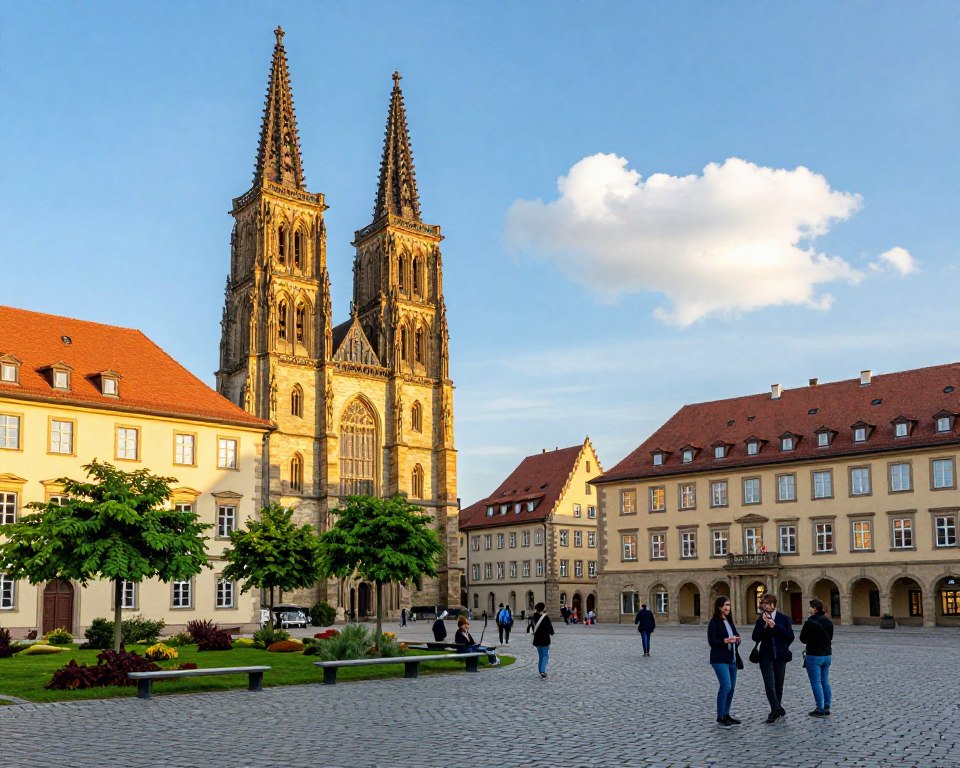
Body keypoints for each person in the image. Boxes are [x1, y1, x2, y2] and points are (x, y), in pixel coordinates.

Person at [752, 594, 795, 724]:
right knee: (769, 684)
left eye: (766, 603)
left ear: (773, 604)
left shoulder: (784, 619)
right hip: (765, 655)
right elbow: (755, 637)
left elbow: (790, 636)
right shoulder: (760, 620)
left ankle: (777, 708)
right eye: (763, 603)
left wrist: (774, 625)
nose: (764, 606)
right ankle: (775, 709)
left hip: (781, 655)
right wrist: (765, 626)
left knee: (778, 685)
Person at [707, 597, 743, 728]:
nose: (728, 608)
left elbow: (734, 634)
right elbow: (712, 641)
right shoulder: (714, 622)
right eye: (726, 605)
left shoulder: (729, 620)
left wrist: (737, 638)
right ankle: (720, 716)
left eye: (729, 605)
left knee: (731, 688)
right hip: (719, 659)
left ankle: (727, 714)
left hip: (731, 658)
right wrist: (726, 641)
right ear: (719, 607)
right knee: (726, 686)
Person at [799, 598, 834, 717]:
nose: (809, 610)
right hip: (827, 655)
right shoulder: (828, 621)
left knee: (816, 682)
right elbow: (830, 637)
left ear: (814, 609)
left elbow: (803, 639)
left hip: (814, 655)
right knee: (825, 681)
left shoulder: (810, 622)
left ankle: (819, 708)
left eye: (810, 607)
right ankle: (827, 706)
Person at [527, 601, 554, 679]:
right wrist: (551, 632)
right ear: (543, 609)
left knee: (541, 656)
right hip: (544, 639)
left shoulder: (534, 617)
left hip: (537, 640)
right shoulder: (545, 618)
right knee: (545, 655)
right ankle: (542, 671)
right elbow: (550, 630)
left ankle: (541, 670)